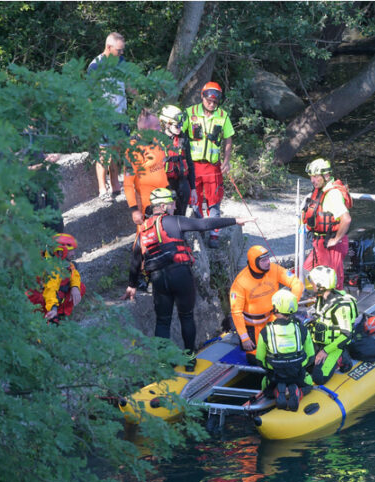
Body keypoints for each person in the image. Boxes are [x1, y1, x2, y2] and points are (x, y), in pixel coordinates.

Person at [122, 188, 254, 369]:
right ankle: (190, 359)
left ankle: (162, 364)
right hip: (180, 275)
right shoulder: (174, 221)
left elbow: (136, 257)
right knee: (186, 316)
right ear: (163, 206)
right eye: (172, 202)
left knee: (162, 321)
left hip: (159, 279)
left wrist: (132, 285)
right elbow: (203, 224)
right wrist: (234, 221)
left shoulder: (144, 229)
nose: (175, 205)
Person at [183, 81, 235, 248]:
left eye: (215, 102)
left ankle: (214, 234)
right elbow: (177, 132)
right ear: (202, 97)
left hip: (213, 166)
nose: (212, 104)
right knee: (194, 199)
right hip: (193, 166)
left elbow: (228, 138)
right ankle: (199, 228)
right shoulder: (189, 113)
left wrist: (226, 161)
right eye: (208, 101)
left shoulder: (223, 116)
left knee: (214, 199)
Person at [229, 245, 304, 358]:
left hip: (273, 319)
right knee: (255, 359)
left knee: (282, 353)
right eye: (263, 260)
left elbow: (296, 283)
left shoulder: (274, 269)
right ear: (254, 262)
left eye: (268, 258)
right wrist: (245, 338)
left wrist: (289, 306)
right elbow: (236, 312)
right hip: (252, 326)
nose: (268, 262)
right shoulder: (240, 282)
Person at [255, 289, 315, 412]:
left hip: (275, 377)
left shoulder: (266, 331)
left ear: (276, 309)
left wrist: (275, 368)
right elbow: (311, 357)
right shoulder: (302, 330)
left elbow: (260, 361)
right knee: (309, 384)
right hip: (298, 376)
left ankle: (277, 390)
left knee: (265, 385)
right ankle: (297, 391)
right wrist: (297, 367)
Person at [87, 32, 128, 201]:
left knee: (117, 150)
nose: (121, 53)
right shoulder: (95, 66)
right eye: (119, 50)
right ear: (109, 47)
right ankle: (102, 189)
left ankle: (115, 183)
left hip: (120, 114)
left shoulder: (121, 61)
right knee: (104, 152)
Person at [302, 158, 352, 287]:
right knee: (306, 272)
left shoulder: (332, 194)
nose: (313, 180)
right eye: (311, 176)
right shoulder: (320, 190)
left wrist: (336, 239)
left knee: (332, 281)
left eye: (316, 176)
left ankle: (336, 303)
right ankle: (316, 298)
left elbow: (346, 219)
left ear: (326, 175)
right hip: (320, 244)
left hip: (331, 245)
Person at [307, 265, 358, 385]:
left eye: (313, 282)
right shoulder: (321, 299)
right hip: (317, 343)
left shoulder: (341, 306)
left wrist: (325, 351)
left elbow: (346, 335)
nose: (311, 285)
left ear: (321, 285)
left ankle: (342, 359)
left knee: (319, 377)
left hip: (334, 347)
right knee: (302, 367)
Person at [26, 233, 86, 323]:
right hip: (39, 297)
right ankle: (50, 317)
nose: (73, 253)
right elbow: (50, 290)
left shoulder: (64, 263)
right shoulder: (52, 269)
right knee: (48, 298)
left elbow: (74, 273)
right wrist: (53, 308)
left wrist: (75, 287)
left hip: (49, 293)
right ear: (60, 251)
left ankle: (60, 313)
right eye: (71, 251)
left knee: (80, 287)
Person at [123, 110, 168, 224]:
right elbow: (128, 184)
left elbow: (161, 170)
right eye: (157, 126)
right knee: (148, 238)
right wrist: (134, 210)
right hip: (147, 205)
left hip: (164, 200)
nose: (160, 129)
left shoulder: (156, 141)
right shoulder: (133, 150)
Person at [159, 105, 198, 218]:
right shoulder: (157, 139)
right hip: (165, 183)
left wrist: (193, 189)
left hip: (182, 181)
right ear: (167, 123)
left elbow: (190, 164)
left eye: (182, 124)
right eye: (177, 125)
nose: (180, 127)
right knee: (166, 216)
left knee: (181, 215)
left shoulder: (183, 139)